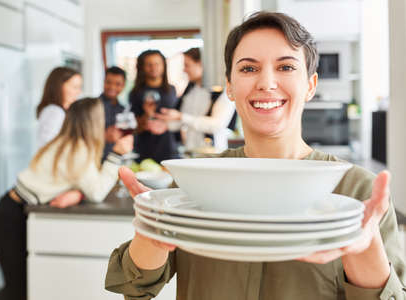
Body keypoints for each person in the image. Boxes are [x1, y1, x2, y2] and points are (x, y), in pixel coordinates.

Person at [105, 11, 406, 300]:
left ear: (310, 85)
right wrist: (151, 231)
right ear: (231, 87)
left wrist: (363, 251)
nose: (266, 82)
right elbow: (135, 284)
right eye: (249, 68)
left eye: (286, 67)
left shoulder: (359, 192)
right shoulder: (195, 181)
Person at [0, 98, 133, 300]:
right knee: (19, 290)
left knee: (20, 288)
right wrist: (116, 154)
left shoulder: (66, 143)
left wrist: (78, 193)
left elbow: (79, 182)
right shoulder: (78, 149)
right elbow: (97, 191)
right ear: (93, 121)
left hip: (9, 211)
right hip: (11, 219)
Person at [157, 48, 236, 152]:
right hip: (190, 152)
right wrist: (165, 125)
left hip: (214, 154)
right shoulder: (190, 90)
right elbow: (182, 121)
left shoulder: (222, 91)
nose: (184, 70)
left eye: (187, 65)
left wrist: (181, 116)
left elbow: (216, 125)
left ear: (201, 64)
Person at [129, 49, 179, 163]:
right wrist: (147, 114)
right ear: (142, 67)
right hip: (144, 150)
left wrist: (166, 124)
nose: (153, 67)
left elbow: (179, 120)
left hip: (169, 149)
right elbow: (134, 128)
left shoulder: (171, 90)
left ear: (163, 65)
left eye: (157, 63)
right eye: (149, 64)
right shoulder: (135, 93)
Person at [36, 66, 83, 148]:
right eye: (75, 87)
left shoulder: (62, 112)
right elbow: (49, 146)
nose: (79, 92)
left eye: (79, 87)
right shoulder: (55, 112)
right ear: (59, 87)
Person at [100, 66, 127, 158]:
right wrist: (103, 135)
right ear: (104, 82)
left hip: (116, 159)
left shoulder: (124, 110)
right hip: (95, 158)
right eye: (108, 82)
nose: (112, 87)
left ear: (123, 86)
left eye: (118, 84)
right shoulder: (92, 107)